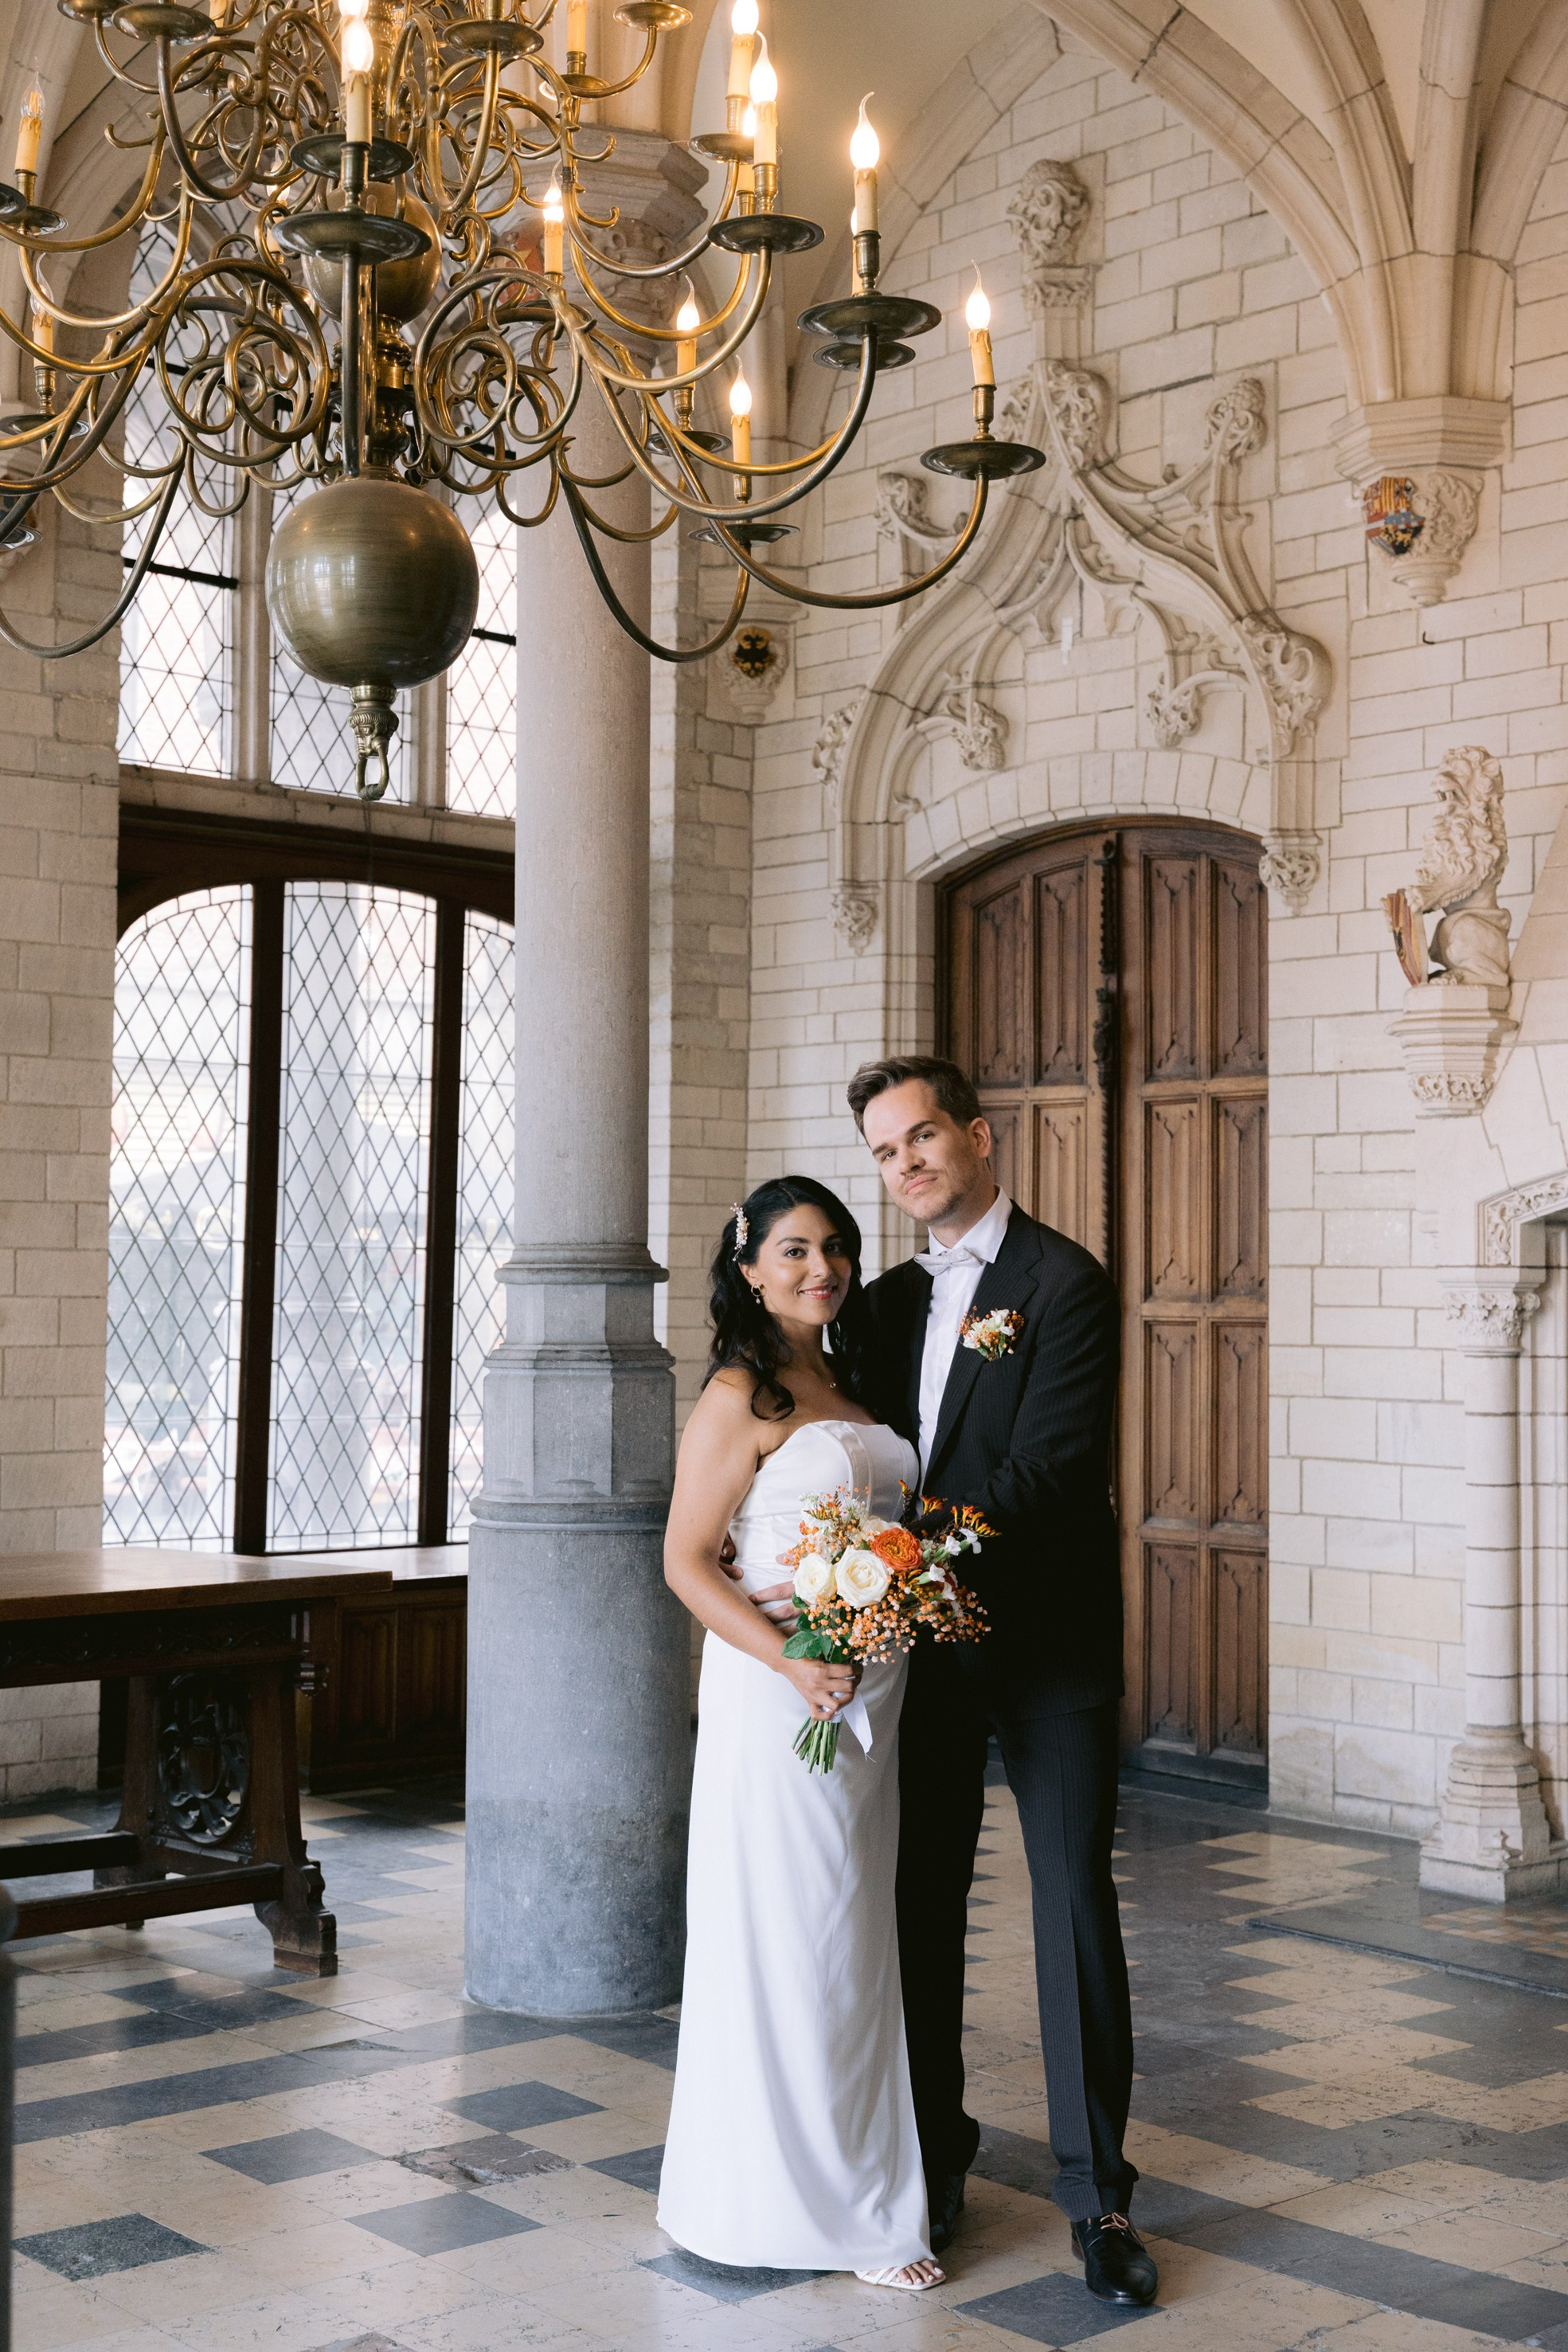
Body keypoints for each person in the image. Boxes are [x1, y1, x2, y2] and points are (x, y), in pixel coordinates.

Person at [847, 1053, 1157, 2310]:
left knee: (1072, 1901)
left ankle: (1098, 2200)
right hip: (920, 1657)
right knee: (918, 1906)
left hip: (1049, 1648)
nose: (906, 1163)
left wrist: (901, 1561)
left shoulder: (1063, 1282)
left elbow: (1042, 1470)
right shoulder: (875, 1306)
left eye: (921, 1136)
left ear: (977, 1137)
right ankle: (933, 2162)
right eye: (883, 1150)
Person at [656, 1175, 943, 2293]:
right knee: (783, 1937)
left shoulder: (846, 1376)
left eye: (831, 1247)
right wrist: (788, 1656)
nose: (817, 1267)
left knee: (846, 1939)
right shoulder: (739, 1392)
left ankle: (864, 2189)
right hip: (779, 1693)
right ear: (746, 1267)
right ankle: (782, 2203)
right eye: (791, 1251)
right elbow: (685, 1558)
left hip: (870, 1691)